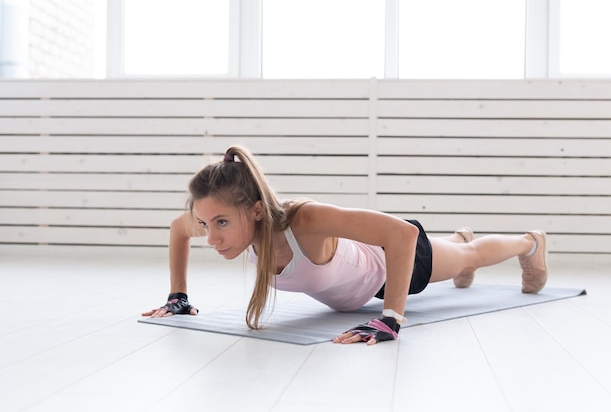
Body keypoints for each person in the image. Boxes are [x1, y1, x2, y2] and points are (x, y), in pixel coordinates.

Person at [142, 145, 548, 345]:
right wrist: (178, 296)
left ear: (257, 211)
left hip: (391, 268)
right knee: (459, 254)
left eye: (222, 223)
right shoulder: (221, 224)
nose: (211, 238)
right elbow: (179, 230)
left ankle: (529, 243)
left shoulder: (304, 219)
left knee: (467, 258)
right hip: (358, 288)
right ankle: (458, 242)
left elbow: (401, 235)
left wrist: (391, 318)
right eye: (206, 223)